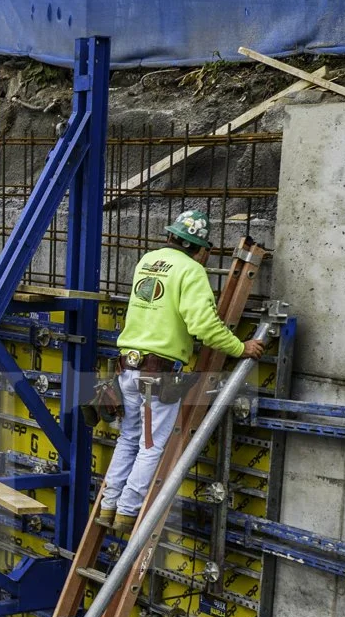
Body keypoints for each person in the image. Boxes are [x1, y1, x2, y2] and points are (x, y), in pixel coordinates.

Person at [100, 210, 264, 537]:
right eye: (206, 250)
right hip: (160, 374)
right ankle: (128, 513)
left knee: (130, 438)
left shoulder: (147, 261)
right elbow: (204, 326)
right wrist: (239, 348)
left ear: (171, 236)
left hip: (127, 370)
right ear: (199, 248)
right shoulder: (191, 271)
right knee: (151, 446)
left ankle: (108, 506)